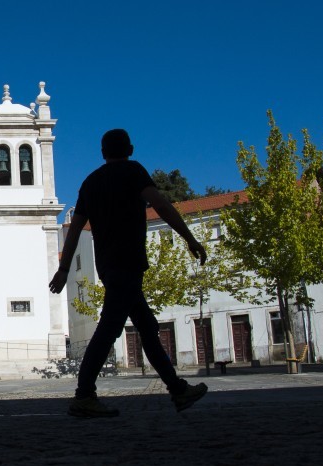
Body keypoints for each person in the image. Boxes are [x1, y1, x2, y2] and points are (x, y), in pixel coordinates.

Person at [49, 129, 208, 418]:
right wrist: (189, 238)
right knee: (108, 330)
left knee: (147, 328)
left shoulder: (90, 182)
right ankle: (84, 395)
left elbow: (73, 230)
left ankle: (178, 389)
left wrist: (63, 269)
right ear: (131, 148)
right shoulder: (134, 172)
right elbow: (160, 203)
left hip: (110, 267)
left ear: (102, 152)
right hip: (128, 264)